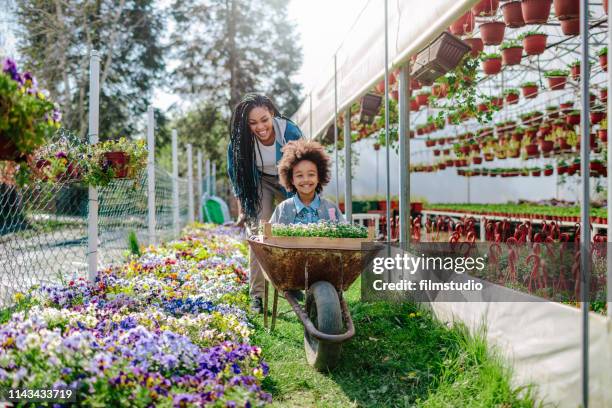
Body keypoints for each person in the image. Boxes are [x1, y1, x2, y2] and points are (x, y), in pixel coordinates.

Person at [227, 93, 303, 313]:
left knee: (294, 227)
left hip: (287, 178)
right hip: (259, 181)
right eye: (253, 123)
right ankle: (257, 296)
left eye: (264, 120)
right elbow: (236, 176)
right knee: (260, 233)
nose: (260, 127)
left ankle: (291, 282)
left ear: (272, 114)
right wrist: (243, 208)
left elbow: (303, 164)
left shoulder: (288, 131)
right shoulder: (240, 143)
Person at [270, 139, 344, 225]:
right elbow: (268, 235)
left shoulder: (331, 208)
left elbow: (344, 234)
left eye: (311, 174)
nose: (305, 180)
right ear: (291, 180)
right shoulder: (283, 208)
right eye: (299, 175)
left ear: (319, 177)